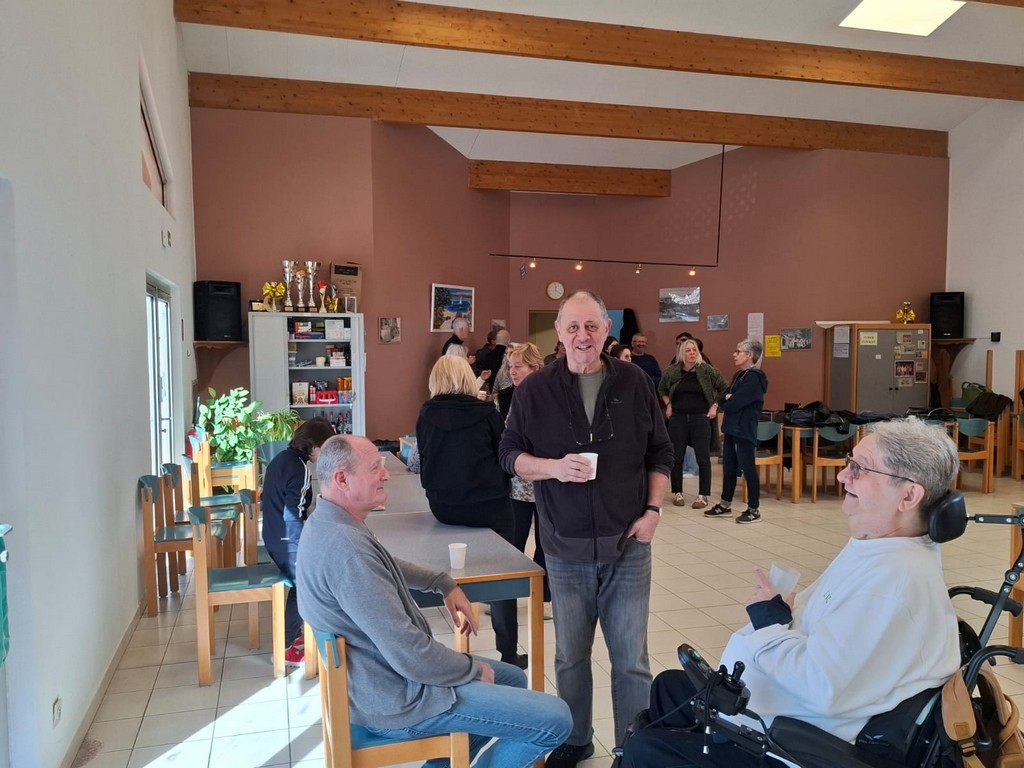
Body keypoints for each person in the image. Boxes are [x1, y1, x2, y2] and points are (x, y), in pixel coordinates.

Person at [619, 418, 962, 767]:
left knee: (647, 748)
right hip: (787, 705)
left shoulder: (894, 581)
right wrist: (783, 615)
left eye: (860, 469)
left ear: (908, 495)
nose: (843, 476)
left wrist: (770, 621)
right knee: (669, 688)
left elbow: (822, 687)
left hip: (799, 744)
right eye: (850, 462)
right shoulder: (880, 544)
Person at [297, 435, 572, 768]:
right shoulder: (347, 550)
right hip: (397, 698)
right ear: (342, 479)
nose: (385, 475)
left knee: (513, 678)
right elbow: (410, 654)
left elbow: (386, 565)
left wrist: (441, 582)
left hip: (378, 683)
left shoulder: (326, 523)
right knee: (556, 719)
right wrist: (471, 669)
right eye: (374, 468)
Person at [499, 289, 673, 768]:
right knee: (571, 657)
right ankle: (577, 739)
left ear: (606, 330)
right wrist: (552, 468)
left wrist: (653, 511)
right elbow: (509, 455)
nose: (582, 336)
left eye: (591, 326)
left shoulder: (635, 382)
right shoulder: (534, 390)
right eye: (573, 326)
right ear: (558, 332)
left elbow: (660, 452)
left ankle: (632, 750)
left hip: (629, 544)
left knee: (631, 660)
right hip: (564, 547)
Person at [416, 355, 525, 668]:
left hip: (444, 507)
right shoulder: (487, 412)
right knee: (505, 572)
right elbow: (504, 456)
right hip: (489, 505)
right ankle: (508, 652)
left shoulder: (426, 414)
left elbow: (423, 458)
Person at [259, 416, 338, 665]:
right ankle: (286, 646)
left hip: (273, 536)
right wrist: (306, 546)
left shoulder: (281, 459)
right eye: (324, 449)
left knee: (304, 580)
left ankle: (295, 636)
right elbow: (292, 515)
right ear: (312, 445)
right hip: (286, 540)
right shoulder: (300, 469)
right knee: (305, 583)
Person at [500, 343, 552, 611]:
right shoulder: (513, 396)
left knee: (546, 545)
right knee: (513, 542)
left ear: (536, 367)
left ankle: (543, 598)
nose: (513, 371)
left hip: (547, 483)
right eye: (510, 367)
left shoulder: (551, 396)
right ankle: (504, 598)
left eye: (518, 366)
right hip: (519, 485)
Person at [658, 338, 727, 510]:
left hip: (700, 417)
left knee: (703, 458)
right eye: (688, 350)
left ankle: (703, 495)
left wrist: (715, 406)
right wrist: (668, 404)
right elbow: (662, 389)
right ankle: (677, 492)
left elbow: (725, 389)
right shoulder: (672, 371)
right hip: (678, 417)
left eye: (694, 350)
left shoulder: (707, 371)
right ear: (682, 353)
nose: (691, 353)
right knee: (676, 457)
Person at [705, 339, 768, 524]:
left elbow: (735, 403)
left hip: (744, 430)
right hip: (732, 428)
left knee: (748, 469)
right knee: (729, 468)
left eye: (738, 351)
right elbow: (724, 395)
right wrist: (726, 398)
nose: (734, 354)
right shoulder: (739, 375)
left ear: (749, 355)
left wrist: (728, 400)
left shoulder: (755, 378)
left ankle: (754, 509)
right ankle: (725, 505)